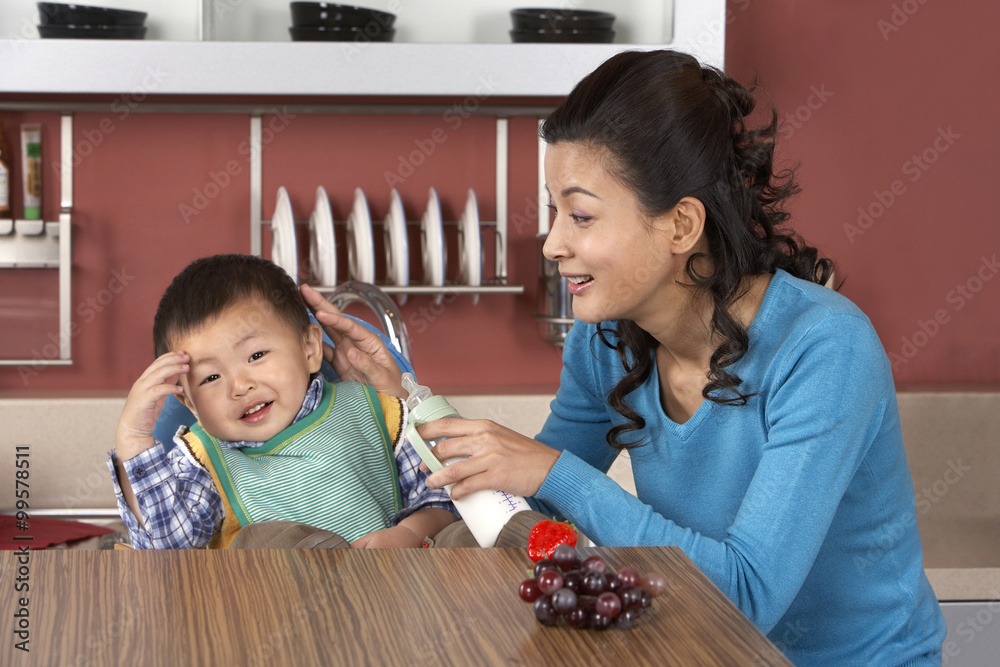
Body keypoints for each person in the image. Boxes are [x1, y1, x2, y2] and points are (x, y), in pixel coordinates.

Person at [353, 50, 946, 664]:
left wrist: (553, 470)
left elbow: (747, 595)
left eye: (581, 214)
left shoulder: (825, 349)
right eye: (556, 211)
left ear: (681, 225)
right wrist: (408, 398)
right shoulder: (608, 336)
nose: (554, 242)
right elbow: (529, 504)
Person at [107, 254, 457, 549]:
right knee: (266, 539)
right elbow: (169, 549)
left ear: (309, 349)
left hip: (390, 598)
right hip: (270, 615)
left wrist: (411, 532)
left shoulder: (377, 409)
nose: (239, 387)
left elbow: (448, 494)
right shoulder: (204, 462)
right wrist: (134, 444)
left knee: (465, 530)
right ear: (191, 403)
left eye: (256, 354)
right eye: (211, 378)